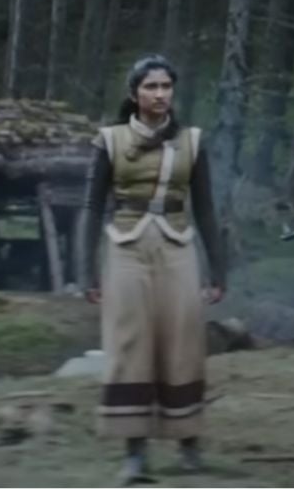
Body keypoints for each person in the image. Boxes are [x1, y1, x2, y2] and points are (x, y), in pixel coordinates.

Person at [78, 55, 226, 486]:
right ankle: (135, 453)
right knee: (130, 342)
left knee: (184, 339)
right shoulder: (109, 140)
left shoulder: (192, 141)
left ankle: (188, 443)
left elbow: (206, 209)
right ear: (134, 93)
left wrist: (219, 271)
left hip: (177, 244)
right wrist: (85, 272)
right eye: (151, 87)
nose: (160, 94)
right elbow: (91, 207)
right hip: (126, 246)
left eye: (166, 86)